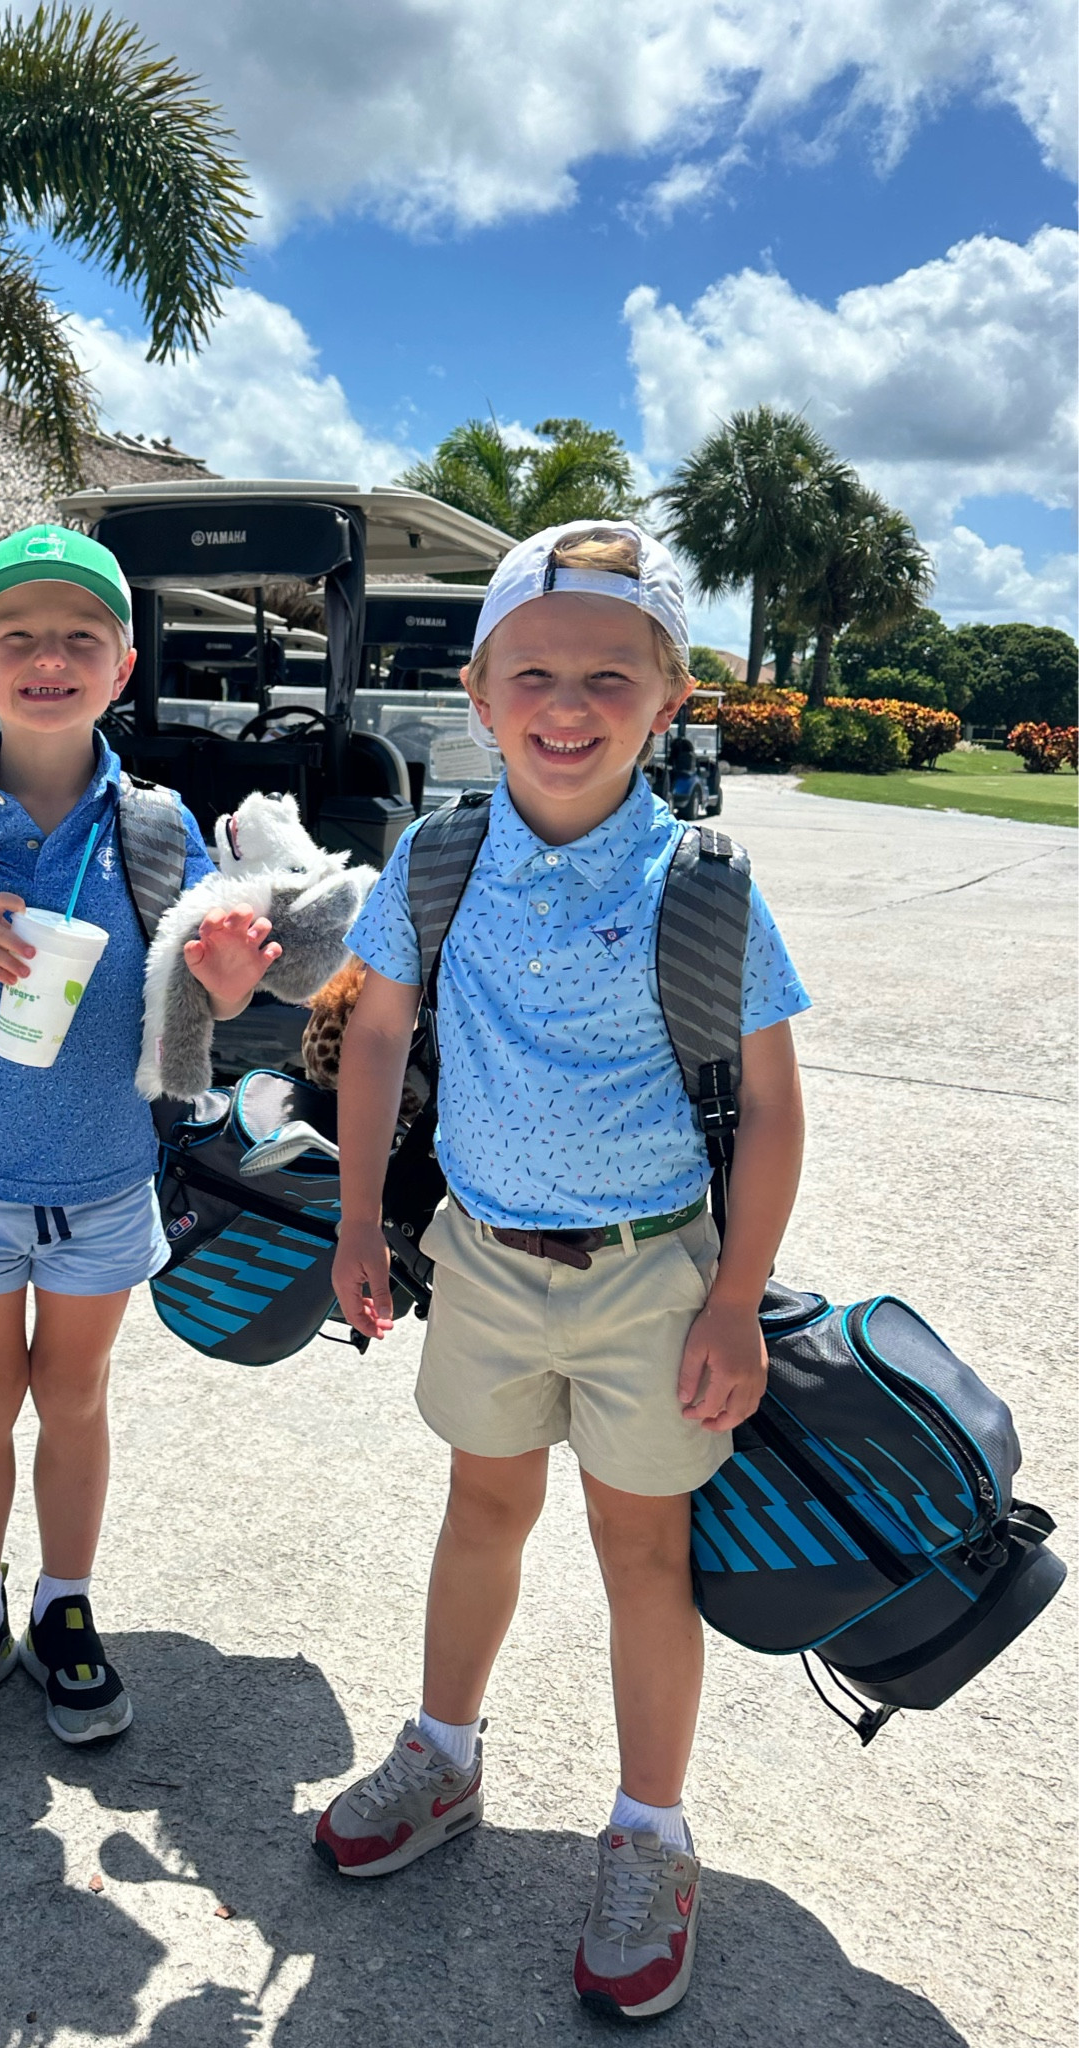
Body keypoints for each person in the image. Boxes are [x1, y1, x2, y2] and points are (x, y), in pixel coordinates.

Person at [315, 522, 809, 2020]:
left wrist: (737, 1299)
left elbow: (775, 1104)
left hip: (654, 1276)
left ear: (667, 696)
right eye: (534, 670)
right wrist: (356, 1220)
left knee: (641, 1552)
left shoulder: (705, 879)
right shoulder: (440, 852)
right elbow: (381, 1033)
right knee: (481, 1508)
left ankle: (651, 1832)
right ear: (479, 691)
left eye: (611, 671)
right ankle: (444, 1754)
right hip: (479, 1258)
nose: (569, 701)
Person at [0, 526, 279, 1755]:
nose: (50, 659)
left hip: (101, 1178)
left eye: (79, 637)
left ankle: (65, 1606)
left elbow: (210, 992)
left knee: (75, 1396)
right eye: (18, 637)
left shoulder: (154, 826)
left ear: (124, 663)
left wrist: (232, 971)